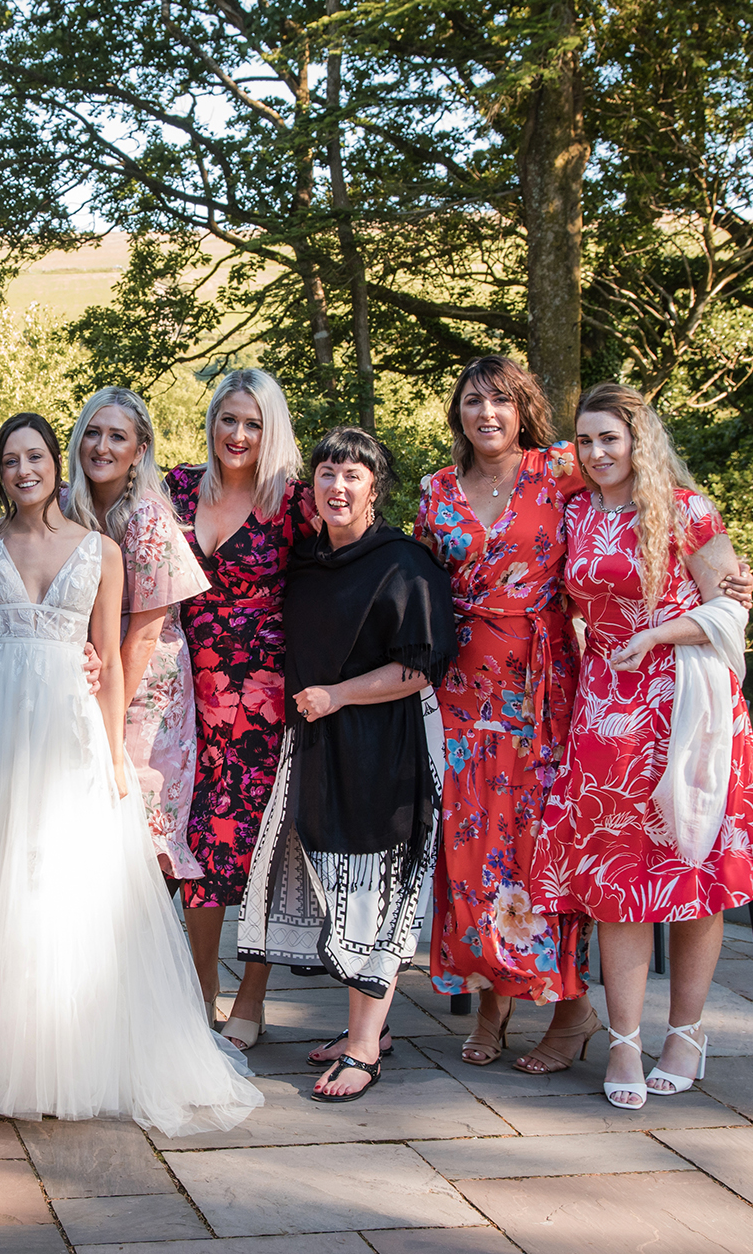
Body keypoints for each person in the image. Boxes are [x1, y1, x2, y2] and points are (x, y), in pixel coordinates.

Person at [0, 413, 262, 1134]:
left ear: (57, 465)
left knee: (63, 876)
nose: (24, 471)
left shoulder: (102, 549)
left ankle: (67, 1053)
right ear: (0, 472)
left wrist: (114, 750)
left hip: (69, 719)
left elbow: (111, 656)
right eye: (10, 460)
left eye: (36, 457)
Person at [531, 383, 753, 1111]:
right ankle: (623, 1042)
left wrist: (656, 634)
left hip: (686, 706)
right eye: (586, 441)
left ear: (641, 442)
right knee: (617, 883)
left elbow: (731, 604)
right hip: (605, 708)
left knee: (694, 871)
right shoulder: (575, 510)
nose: (598, 452)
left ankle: (687, 1033)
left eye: (612, 438)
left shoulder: (687, 509)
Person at [239, 428, 455, 1102]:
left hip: (382, 740)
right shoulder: (306, 562)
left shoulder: (404, 565)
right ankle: (370, 1028)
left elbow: (421, 667)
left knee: (373, 884)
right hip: (315, 740)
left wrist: (339, 695)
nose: (337, 486)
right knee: (332, 880)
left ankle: (365, 1049)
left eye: (352, 475)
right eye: (326, 473)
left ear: (375, 488)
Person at [413, 357, 598, 1071]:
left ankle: (570, 1010)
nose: (485, 412)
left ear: (523, 408)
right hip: (459, 689)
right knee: (470, 849)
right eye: (472, 400)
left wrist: (712, 560)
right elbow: (418, 586)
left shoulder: (560, 469)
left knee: (535, 849)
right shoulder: (435, 492)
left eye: (500, 400)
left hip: (539, 688)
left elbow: (645, 487)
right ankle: (492, 1001)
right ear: (457, 412)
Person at [164, 368, 316, 1048]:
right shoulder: (174, 487)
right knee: (193, 848)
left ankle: (251, 997)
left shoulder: (293, 503)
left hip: (263, 705)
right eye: (228, 418)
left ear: (271, 430)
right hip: (181, 694)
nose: (238, 433)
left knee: (255, 853)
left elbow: (346, 568)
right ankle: (200, 992)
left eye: (253, 423)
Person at [66, 386, 210, 882]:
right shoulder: (66, 508)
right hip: (85, 676)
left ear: (139, 451)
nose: (101, 447)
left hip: (144, 692)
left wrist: (108, 717)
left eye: (117, 437)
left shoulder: (148, 517)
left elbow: (145, 636)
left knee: (140, 833)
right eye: (93, 432)